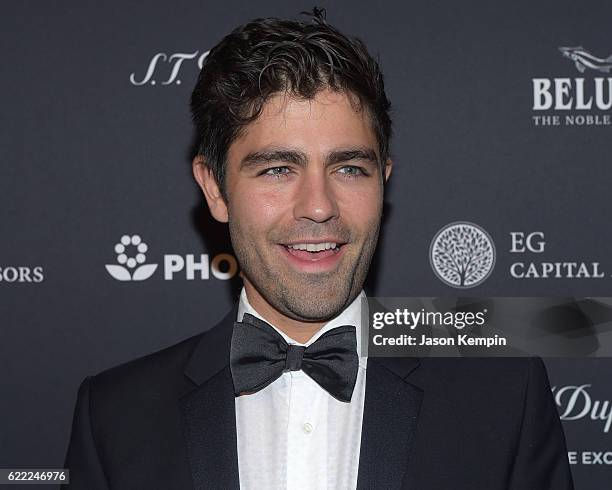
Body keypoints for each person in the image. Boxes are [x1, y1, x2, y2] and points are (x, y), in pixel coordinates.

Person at [63, 9, 574, 489]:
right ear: (216, 189)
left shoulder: (505, 397)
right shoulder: (115, 417)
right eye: (278, 169)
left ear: (384, 180)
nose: (319, 206)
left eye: (349, 168)